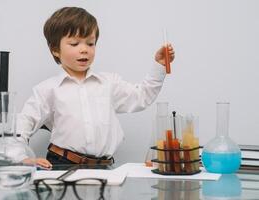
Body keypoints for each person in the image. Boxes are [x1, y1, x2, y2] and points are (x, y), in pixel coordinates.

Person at [17, 6, 175, 169]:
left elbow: (141, 96)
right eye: (74, 43)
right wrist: (22, 157)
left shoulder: (109, 83)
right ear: (55, 50)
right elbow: (24, 122)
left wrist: (159, 66)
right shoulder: (48, 89)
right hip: (62, 165)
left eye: (90, 43)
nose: (84, 49)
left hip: (104, 168)